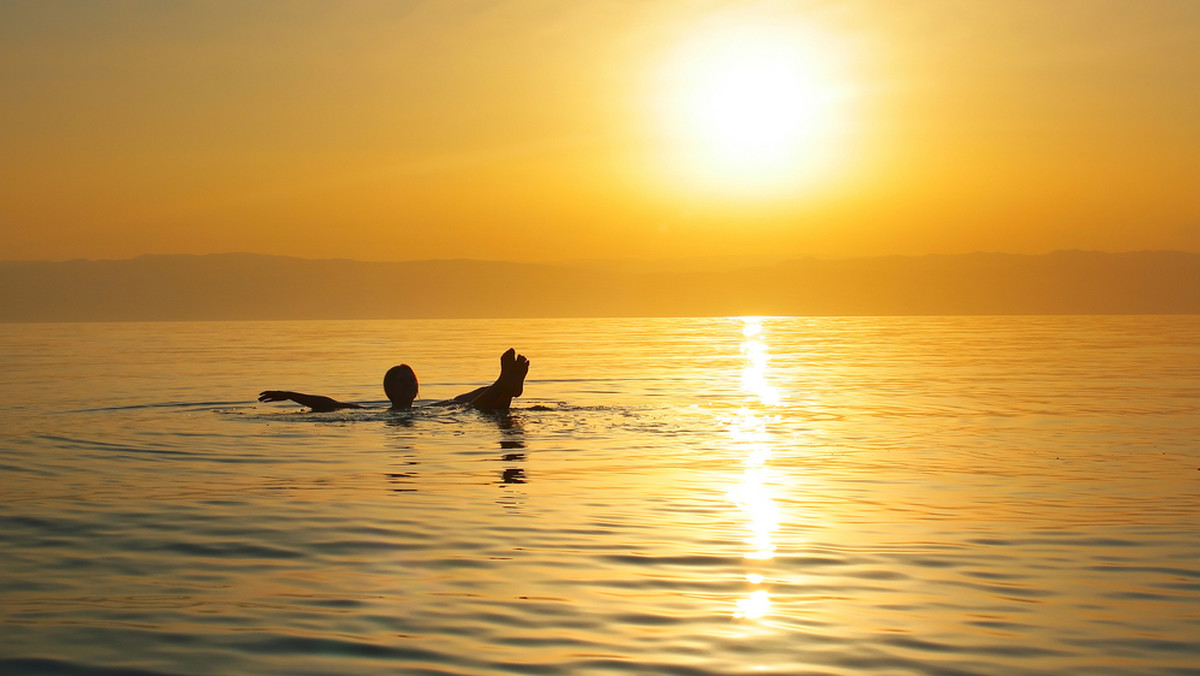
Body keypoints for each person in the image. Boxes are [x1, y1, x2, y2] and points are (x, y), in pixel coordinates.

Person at [258, 348, 530, 414]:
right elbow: (330, 404)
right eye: (402, 383)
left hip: (444, 413)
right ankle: (504, 386)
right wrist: (290, 393)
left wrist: (487, 388)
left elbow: (468, 395)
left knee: (465, 402)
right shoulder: (372, 414)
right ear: (388, 391)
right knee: (475, 410)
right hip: (449, 419)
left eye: (411, 381)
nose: (409, 386)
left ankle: (504, 387)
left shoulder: (430, 409)